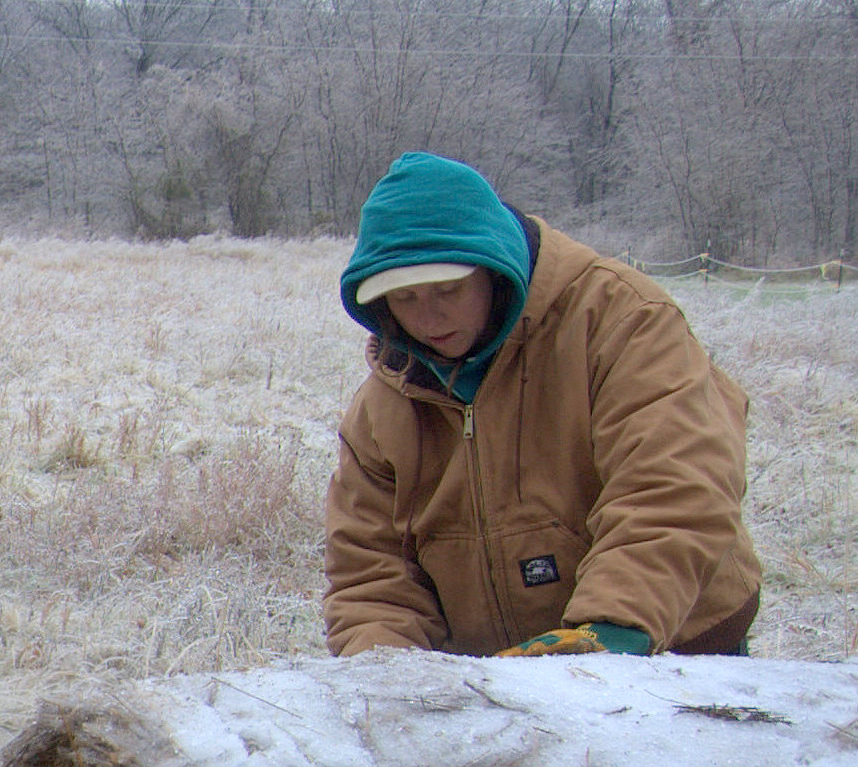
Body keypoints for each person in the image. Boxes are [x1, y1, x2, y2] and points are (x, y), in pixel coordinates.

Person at [324, 152, 762, 659]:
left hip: (669, 643)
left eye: (448, 288)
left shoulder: (622, 321)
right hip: (501, 678)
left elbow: (676, 484)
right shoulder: (384, 405)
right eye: (403, 298)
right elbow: (371, 573)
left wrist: (612, 627)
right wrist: (386, 675)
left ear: (495, 269)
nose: (428, 316)